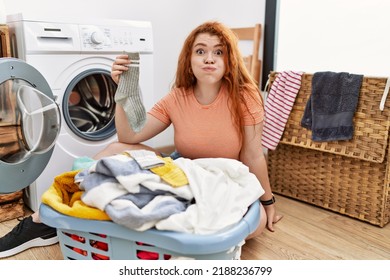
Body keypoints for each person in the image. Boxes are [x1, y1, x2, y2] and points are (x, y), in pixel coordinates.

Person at [0, 21, 282, 258]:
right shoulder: (178, 97)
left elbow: (253, 156)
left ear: (229, 60)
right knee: (116, 148)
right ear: (189, 59)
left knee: (253, 224)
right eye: (201, 51)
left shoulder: (245, 96)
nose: (209, 58)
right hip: (181, 173)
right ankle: (46, 218)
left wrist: (268, 203)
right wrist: (122, 89)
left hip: (223, 179)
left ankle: (143, 231)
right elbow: (130, 136)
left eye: (218, 52)